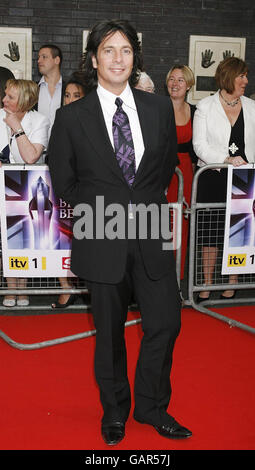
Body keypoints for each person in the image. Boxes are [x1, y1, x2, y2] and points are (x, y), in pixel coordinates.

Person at [48, 19, 192, 446]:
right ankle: (115, 412)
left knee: (166, 323)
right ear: (94, 59)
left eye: (125, 50)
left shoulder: (159, 108)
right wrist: (97, 222)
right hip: (100, 238)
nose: (117, 58)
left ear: (135, 58)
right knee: (109, 336)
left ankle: (151, 406)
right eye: (108, 50)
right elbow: (64, 183)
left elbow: (164, 168)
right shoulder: (71, 118)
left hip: (151, 235)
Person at [193, 57, 255, 301]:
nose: (246, 81)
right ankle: (207, 282)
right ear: (228, 77)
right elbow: (199, 145)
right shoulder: (205, 106)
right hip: (213, 176)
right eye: (241, 76)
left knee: (239, 230)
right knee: (211, 232)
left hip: (244, 179)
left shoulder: (251, 106)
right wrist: (224, 159)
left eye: (246, 76)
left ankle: (233, 279)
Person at [0, 79, 50, 307]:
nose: (4, 100)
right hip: (1, 188)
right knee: (5, 239)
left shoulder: (39, 120)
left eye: (10, 97)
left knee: (23, 238)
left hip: (27, 189)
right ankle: (10, 289)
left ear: (24, 100)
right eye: (5, 95)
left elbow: (31, 157)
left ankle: (23, 287)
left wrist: (16, 128)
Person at [51, 75, 86, 309]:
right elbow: (54, 154)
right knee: (61, 240)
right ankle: (66, 287)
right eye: (67, 95)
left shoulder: (94, 120)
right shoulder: (60, 118)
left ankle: (90, 289)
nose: (70, 99)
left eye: (76, 95)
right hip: (65, 191)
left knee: (88, 241)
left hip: (89, 192)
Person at [166, 65, 197, 279]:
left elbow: (196, 148)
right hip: (161, 172)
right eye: (172, 79)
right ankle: (159, 276)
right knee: (160, 222)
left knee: (181, 223)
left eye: (180, 80)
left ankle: (178, 277)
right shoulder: (158, 107)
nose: (175, 84)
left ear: (188, 85)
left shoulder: (195, 111)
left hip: (185, 171)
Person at [37, 44, 65, 136]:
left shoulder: (68, 89)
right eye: (39, 57)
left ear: (57, 60)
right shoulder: (33, 89)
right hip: (36, 147)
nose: (39, 61)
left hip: (62, 147)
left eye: (44, 57)